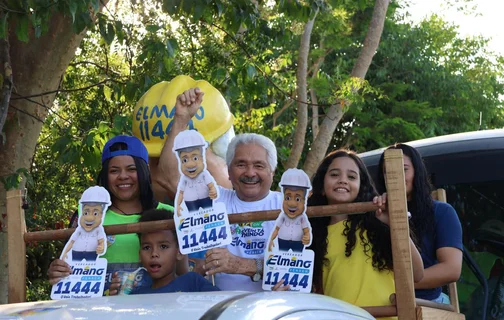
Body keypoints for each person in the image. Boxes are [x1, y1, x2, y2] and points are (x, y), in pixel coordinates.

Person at [159, 87, 283, 291]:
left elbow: (297, 266)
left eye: (259, 165)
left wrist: (241, 265)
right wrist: (181, 119)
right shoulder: (216, 199)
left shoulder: (287, 207)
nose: (250, 172)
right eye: (241, 164)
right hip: (222, 310)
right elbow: (170, 174)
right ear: (229, 169)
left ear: (272, 170)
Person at [47, 135, 187, 294]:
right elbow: (67, 266)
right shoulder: (86, 216)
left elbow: (183, 273)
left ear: (144, 170)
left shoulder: (168, 215)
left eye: (131, 169)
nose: (123, 176)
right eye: (114, 171)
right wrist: (58, 271)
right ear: (105, 175)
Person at [308, 150, 423, 316]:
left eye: (352, 177)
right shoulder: (310, 235)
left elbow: (417, 274)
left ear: (361, 187)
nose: (342, 180)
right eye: (334, 174)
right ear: (322, 187)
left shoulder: (377, 224)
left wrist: (394, 224)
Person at [376, 143, 463, 304]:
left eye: (403, 169)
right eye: (387, 172)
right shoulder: (377, 212)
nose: (395, 176)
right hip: (379, 300)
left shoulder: (441, 211)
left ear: (417, 171)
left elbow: (451, 269)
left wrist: (397, 284)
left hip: (427, 303)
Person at [108, 209, 219, 295]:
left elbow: (222, 306)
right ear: (139, 255)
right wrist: (117, 301)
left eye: (163, 246)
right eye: (147, 248)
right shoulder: (137, 294)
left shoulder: (192, 282)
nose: (154, 253)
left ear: (179, 252)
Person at [173, 130, 218, 216]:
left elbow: (211, 185)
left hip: (206, 199)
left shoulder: (204, 174)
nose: (190, 165)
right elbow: (181, 192)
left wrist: (213, 191)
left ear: (202, 158)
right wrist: (178, 205)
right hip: (190, 202)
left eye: (195, 158)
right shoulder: (184, 179)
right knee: (194, 218)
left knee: (209, 215)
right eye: (185, 160)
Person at [61, 186, 110, 261]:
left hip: (91, 253)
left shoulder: (98, 229)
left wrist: (101, 247)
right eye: (86, 213)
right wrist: (65, 253)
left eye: (95, 213)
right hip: (76, 252)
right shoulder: (79, 228)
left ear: (102, 214)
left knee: (91, 267)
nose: (89, 218)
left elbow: (101, 241)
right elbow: (71, 241)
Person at [268, 168, 312, 253]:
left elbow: (306, 230)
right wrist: (271, 240)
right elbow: (276, 229)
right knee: (281, 258)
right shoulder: (283, 216)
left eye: (298, 199)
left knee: (297, 258)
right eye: (287, 198)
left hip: (298, 243)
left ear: (304, 200)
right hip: (282, 241)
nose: (292, 204)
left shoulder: (302, 218)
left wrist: (307, 236)